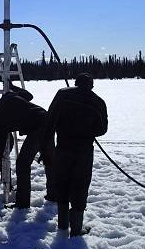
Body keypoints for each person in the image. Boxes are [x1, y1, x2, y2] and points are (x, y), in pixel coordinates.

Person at [0, 84, 55, 208]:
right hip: (48, 121)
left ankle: (22, 204)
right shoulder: (7, 96)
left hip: (37, 129)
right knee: (49, 160)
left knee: (22, 164)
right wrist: (12, 86)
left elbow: (1, 143)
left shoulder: (0, 120)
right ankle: (54, 195)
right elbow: (29, 96)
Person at [42, 72, 107, 236]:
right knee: (80, 185)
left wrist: (45, 147)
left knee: (62, 182)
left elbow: (50, 120)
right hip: (83, 152)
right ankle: (76, 229)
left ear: (76, 83)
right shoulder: (98, 102)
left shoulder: (63, 94)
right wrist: (87, 130)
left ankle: (63, 225)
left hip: (63, 148)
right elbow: (102, 129)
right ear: (91, 86)